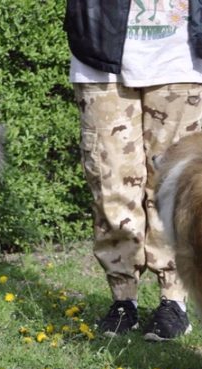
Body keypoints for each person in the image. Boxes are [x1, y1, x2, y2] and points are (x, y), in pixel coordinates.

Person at [64, 0, 202, 340]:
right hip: (100, 52)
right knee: (110, 185)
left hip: (182, 57)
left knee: (184, 191)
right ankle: (123, 300)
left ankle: (174, 301)